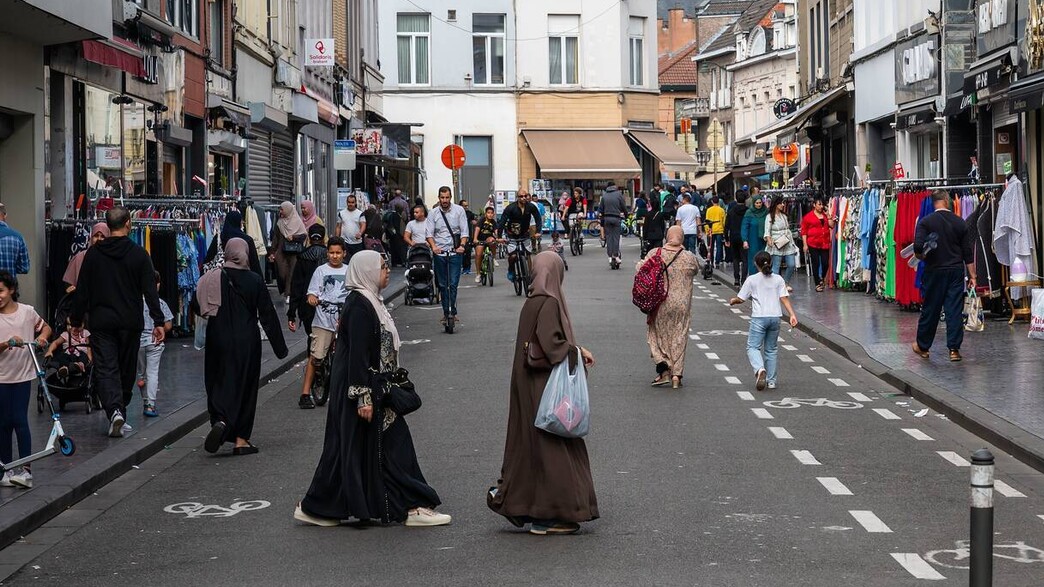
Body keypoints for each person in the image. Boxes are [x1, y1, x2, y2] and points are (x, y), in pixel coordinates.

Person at [295, 251, 451, 528]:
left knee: (350, 450)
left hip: (373, 387)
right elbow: (357, 356)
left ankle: (319, 507)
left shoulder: (369, 301)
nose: (387, 270)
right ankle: (411, 506)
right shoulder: (359, 306)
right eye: (381, 266)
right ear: (367, 271)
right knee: (387, 445)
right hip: (366, 390)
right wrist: (363, 397)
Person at [487, 252, 598, 535]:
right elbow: (552, 345)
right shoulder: (549, 303)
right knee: (554, 447)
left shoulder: (531, 302)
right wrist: (577, 351)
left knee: (530, 447)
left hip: (527, 385)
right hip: (543, 387)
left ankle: (522, 504)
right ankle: (550, 514)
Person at [70, 206, 166, 438]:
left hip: (102, 321)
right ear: (128, 224)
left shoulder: (93, 254)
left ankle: (115, 411)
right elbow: (150, 290)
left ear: (108, 226)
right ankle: (118, 409)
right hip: (130, 321)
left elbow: (82, 290)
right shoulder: (139, 254)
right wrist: (158, 320)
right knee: (125, 368)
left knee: (106, 368)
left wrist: (76, 319)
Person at [196, 238, 288, 455]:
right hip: (246, 339)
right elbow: (267, 314)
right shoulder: (254, 280)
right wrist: (280, 348)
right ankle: (240, 439)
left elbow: (196, 305)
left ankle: (220, 419)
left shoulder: (212, 277)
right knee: (245, 386)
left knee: (218, 380)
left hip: (217, 338)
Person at [911, 189, 976, 363]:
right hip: (955, 270)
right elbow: (967, 252)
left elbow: (918, 247)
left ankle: (923, 347)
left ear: (934, 203)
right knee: (954, 310)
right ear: (947, 201)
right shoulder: (960, 222)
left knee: (931, 308)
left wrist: (921, 256)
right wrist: (973, 276)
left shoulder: (926, 222)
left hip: (934, 270)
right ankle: (954, 350)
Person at [0, 272, 51, 489]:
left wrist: (42, 338)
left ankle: (26, 471)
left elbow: (45, 327)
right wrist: (6, 344)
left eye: (1, 290)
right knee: (3, 424)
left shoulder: (27, 312)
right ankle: (6, 469)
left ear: (11, 290)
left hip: (22, 376)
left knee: (19, 420)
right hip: (1, 378)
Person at [640, 226, 701, 389]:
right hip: (682, 304)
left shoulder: (655, 253)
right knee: (679, 337)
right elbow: (696, 270)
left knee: (655, 333)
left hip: (660, 302)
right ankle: (676, 375)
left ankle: (663, 367)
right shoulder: (689, 257)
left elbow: (640, 269)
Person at [730, 252, 798, 391]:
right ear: (771, 263)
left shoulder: (752, 280)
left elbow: (741, 298)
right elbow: (784, 298)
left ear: (756, 264)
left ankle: (760, 369)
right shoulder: (778, 279)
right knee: (771, 349)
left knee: (753, 347)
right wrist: (792, 315)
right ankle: (771, 381)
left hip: (759, 318)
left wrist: (734, 301)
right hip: (775, 318)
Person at [298, 237, 348, 409]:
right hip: (323, 321)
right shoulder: (320, 271)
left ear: (344, 254)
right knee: (316, 357)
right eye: (332, 253)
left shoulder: (349, 271)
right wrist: (312, 298)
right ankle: (305, 393)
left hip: (343, 322)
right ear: (327, 254)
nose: (335, 256)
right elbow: (312, 292)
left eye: (338, 253)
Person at [425, 186, 470, 329]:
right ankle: (446, 312)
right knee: (443, 285)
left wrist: (462, 246)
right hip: (440, 253)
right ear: (439, 198)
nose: (445, 200)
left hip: (455, 252)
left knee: (453, 283)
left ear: (451, 197)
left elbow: (464, 231)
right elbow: (429, 234)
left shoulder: (459, 211)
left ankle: (453, 311)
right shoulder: (433, 213)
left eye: (447, 197)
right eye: (442, 197)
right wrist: (434, 247)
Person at [135, 271, 174, 417]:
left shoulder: (136, 302)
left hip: (138, 342)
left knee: (142, 372)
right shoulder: (160, 303)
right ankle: (150, 405)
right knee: (153, 373)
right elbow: (168, 324)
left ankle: (143, 392)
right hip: (155, 341)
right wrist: (161, 329)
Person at [287, 224, 328, 337]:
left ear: (309, 238)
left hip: (307, 306)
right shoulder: (331, 256)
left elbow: (296, 286)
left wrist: (292, 313)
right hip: (328, 305)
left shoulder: (302, 257)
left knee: (312, 337)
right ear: (324, 238)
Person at [203, 209, 264, 277]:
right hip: (243, 277)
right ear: (239, 222)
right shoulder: (247, 240)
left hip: (222, 277)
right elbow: (254, 264)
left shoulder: (219, 238)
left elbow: (209, 257)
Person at [498, 190, 542, 283]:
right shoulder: (510, 208)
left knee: (528, 253)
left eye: (525, 196)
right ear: (517, 198)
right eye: (521, 196)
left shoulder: (531, 206)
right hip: (512, 234)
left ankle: (530, 274)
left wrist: (538, 231)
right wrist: (499, 236)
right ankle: (511, 270)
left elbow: (538, 218)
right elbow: (502, 222)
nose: (523, 198)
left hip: (525, 233)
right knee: (513, 256)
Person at [269, 202, 309, 296]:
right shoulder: (280, 222)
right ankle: (286, 291)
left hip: (294, 253)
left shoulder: (298, 221)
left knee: (291, 273)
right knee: (282, 273)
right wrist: (272, 252)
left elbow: (304, 236)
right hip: (281, 252)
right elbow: (276, 238)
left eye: (282, 209)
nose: (280, 211)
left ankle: (288, 293)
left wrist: (294, 237)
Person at [764, 196, 799, 290]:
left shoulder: (784, 216)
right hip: (776, 243)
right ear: (776, 204)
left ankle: (785, 283)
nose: (783, 205)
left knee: (791, 264)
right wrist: (769, 239)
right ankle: (775, 285)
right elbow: (767, 230)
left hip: (787, 241)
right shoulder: (769, 216)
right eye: (781, 203)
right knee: (776, 265)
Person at [62, 222, 109, 292]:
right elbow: (68, 284)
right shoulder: (79, 258)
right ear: (91, 237)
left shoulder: (111, 259)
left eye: (103, 236)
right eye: (96, 236)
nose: (99, 239)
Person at [800, 197, 834, 292]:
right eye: (819, 204)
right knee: (815, 263)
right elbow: (804, 231)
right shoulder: (808, 217)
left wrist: (828, 216)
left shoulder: (825, 215)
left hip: (824, 242)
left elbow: (832, 225)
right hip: (813, 243)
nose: (821, 206)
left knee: (825, 263)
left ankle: (822, 278)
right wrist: (805, 245)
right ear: (814, 205)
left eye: (822, 204)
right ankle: (817, 283)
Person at [45, 316, 91, 383]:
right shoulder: (65, 335)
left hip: (81, 355)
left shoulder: (85, 333)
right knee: (62, 356)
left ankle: (80, 365)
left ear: (82, 325)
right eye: (70, 325)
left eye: (77, 326)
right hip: (69, 355)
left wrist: (90, 358)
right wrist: (50, 351)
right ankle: (64, 368)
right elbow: (55, 343)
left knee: (84, 356)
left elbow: (88, 347)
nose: (73, 328)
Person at [599, 181, 627, 267]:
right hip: (616, 218)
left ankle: (610, 256)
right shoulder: (619, 194)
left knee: (609, 238)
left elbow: (600, 209)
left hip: (607, 218)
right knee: (616, 237)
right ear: (614, 186)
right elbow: (623, 206)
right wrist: (626, 215)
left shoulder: (604, 195)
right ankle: (616, 255)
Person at [725, 192, 749, 286]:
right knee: (745, 259)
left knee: (735, 258)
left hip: (734, 236)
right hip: (745, 237)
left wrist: (726, 239)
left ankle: (736, 278)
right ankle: (743, 280)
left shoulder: (731, 211)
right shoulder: (748, 211)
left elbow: (726, 226)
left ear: (736, 198)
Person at [741, 195, 769, 278]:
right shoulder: (749, 213)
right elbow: (744, 227)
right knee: (753, 258)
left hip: (764, 240)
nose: (759, 205)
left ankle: (764, 276)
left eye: (760, 203)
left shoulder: (766, 212)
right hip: (753, 240)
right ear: (753, 203)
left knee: (765, 258)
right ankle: (753, 278)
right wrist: (745, 240)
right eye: (757, 203)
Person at [0, 204, 30, 277]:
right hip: (9, 285)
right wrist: (10, 267)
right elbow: (24, 268)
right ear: (5, 215)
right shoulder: (18, 237)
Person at [473, 206, 500, 283]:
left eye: (492, 213)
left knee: (493, 241)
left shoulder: (493, 222)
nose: (490, 215)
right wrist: (475, 239)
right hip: (480, 239)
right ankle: (478, 273)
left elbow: (496, 231)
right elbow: (477, 229)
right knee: (478, 254)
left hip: (488, 239)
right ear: (485, 214)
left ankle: (494, 258)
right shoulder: (481, 220)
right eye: (488, 213)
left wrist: (498, 237)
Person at [335, 194, 366, 259]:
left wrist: (360, 233)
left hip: (357, 243)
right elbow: (338, 226)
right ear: (346, 202)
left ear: (355, 203)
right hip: (345, 242)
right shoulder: (341, 213)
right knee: (345, 262)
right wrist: (337, 239)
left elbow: (363, 224)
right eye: (349, 202)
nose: (350, 204)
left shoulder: (360, 213)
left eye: (352, 202)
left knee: (357, 262)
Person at [641, 192, 666, 258]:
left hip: (650, 234)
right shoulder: (660, 214)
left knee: (650, 251)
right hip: (658, 234)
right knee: (658, 251)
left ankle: (651, 262)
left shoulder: (648, 214)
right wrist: (663, 234)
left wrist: (644, 236)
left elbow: (645, 226)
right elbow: (662, 225)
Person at [704, 196, 727, 266]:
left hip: (711, 230)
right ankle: (717, 262)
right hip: (719, 230)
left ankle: (711, 260)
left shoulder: (709, 210)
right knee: (719, 247)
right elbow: (724, 222)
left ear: (712, 201)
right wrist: (724, 230)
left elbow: (706, 221)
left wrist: (707, 230)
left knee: (710, 246)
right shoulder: (722, 210)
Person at [459, 200, 477, 275]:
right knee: (460, 253)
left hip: (467, 235)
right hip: (458, 235)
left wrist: (475, 222)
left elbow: (474, 220)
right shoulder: (457, 213)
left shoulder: (469, 214)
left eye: (467, 206)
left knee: (468, 251)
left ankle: (467, 268)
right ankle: (461, 266)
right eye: (464, 206)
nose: (466, 207)